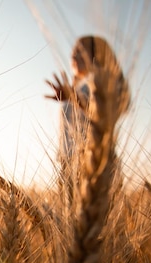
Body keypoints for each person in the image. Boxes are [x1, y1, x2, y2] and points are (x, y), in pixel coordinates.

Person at [46, 35, 130, 206]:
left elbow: (103, 113)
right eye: (72, 51)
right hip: (70, 164)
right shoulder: (80, 86)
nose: (73, 55)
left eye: (79, 51)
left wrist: (74, 97)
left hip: (91, 166)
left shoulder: (97, 84)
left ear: (95, 56)